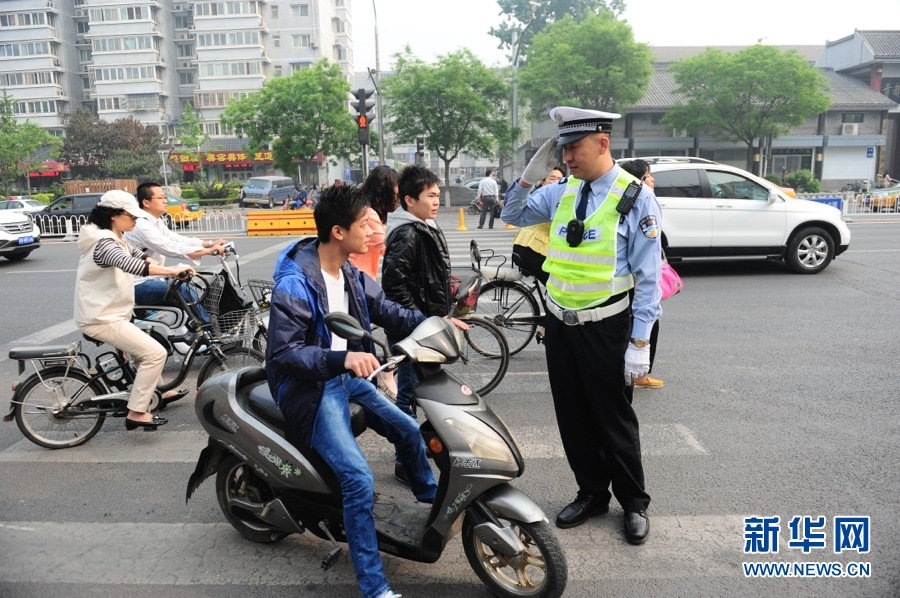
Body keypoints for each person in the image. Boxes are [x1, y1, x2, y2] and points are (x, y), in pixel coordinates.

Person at [265, 184, 441, 598]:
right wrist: (339, 360)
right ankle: (374, 586)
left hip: (348, 378)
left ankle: (431, 502)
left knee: (408, 430)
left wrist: (436, 326)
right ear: (339, 231)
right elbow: (285, 353)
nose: (374, 230)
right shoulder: (295, 284)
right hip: (313, 387)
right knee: (359, 480)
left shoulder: (349, 272)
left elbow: (389, 311)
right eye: (366, 224)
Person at [501, 106, 662, 545]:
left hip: (607, 326)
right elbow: (512, 214)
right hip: (560, 324)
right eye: (562, 149)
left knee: (613, 420)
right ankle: (592, 493)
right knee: (572, 417)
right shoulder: (562, 191)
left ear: (602, 143)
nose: (567, 157)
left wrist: (640, 341)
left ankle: (633, 502)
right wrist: (530, 174)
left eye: (573, 148)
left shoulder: (634, 196)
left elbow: (649, 277)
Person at [74, 190, 195, 430]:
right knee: (155, 353)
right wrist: (172, 272)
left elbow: (142, 257)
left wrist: (175, 268)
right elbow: (133, 266)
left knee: (144, 351)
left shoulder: (116, 237)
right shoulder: (104, 243)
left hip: (113, 313)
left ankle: (158, 393)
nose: (136, 221)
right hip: (102, 318)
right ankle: (137, 411)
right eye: (132, 216)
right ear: (114, 216)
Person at [382, 165, 451, 482]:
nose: (436, 201)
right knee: (408, 396)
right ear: (410, 200)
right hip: (413, 333)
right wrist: (419, 321)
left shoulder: (422, 226)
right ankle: (405, 460)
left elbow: (420, 277)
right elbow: (393, 284)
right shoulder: (408, 233)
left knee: (423, 392)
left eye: (438, 195)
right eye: (431, 196)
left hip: (423, 329)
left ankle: (421, 450)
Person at [125, 182, 227, 330]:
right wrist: (209, 251)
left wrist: (209, 244)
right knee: (183, 290)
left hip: (152, 277)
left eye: (165, 197)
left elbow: (176, 238)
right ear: (146, 202)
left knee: (189, 284)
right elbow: (170, 248)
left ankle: (193, 331)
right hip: (137, 284)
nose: (165, 201)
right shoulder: (142, 224)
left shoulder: (155, 221)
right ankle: (209, 332)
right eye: (160, 198)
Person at [620, 159, 665, 390]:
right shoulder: (640, 199)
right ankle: (640, 372)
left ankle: (641, 369)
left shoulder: (638, 198)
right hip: (635, 282)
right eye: (648, 176)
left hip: (638, 281)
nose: (652, 179)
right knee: (646, 321)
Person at [510, 166, 566, 285]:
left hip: (525, 247)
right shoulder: (545, 199)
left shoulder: (543, 195)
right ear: (543, 181)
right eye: (552, 178)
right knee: (558, 285)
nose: (555, 182)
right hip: (533, 250)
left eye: (560, 179)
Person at [348, 165, 399, 280]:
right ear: (385, 193)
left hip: (358, 275)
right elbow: (387, 246)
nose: (396, 200)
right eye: (395, 195)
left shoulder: (363, 208)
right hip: (359, 277)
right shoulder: (368, 214)